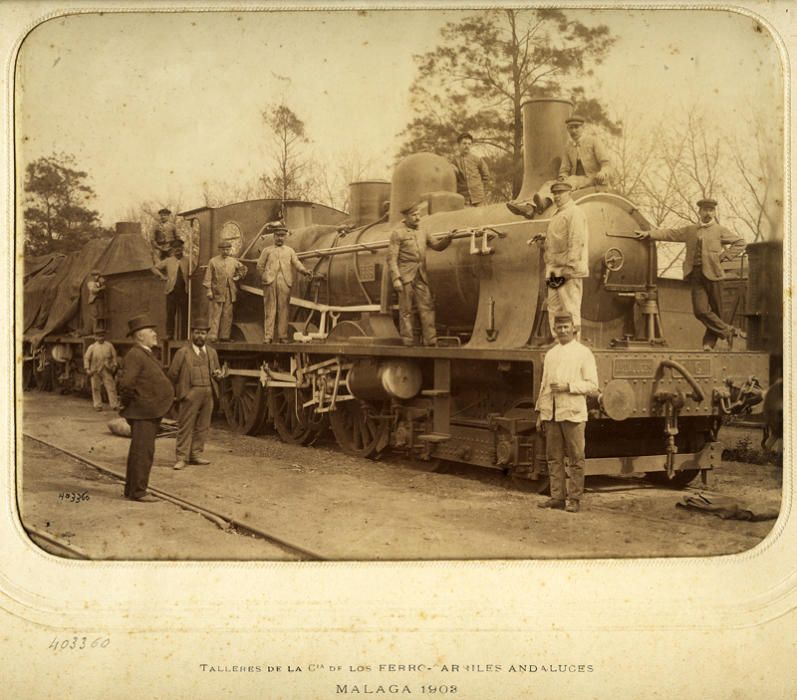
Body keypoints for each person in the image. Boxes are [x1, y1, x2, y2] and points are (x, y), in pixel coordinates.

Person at [635, 198, 747, 350]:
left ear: (714, 212)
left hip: (715, 275)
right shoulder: (690, 230)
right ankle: (728, 331)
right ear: (699, 212)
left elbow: (740, 242)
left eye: (711, 210)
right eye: (705, 210)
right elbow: (670, 234)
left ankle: (708, 344)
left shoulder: (720, 230)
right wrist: (649, 234)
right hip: (695, 275)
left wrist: (723, 257)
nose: (708, 213)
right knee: (700, 311)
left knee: (717, 313)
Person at [535, 312, 599, 514]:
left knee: (576, 458)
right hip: (552, 414)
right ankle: (557, 497)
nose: (562, 331)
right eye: (559, 327)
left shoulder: (583, 353)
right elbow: (544, 385)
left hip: (573, 413)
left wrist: (568, 386)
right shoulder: (551, 354)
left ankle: (575, 499)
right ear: (555, 330)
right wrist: (541, 412)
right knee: (553, 457)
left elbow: (592, 386)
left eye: (566, 327)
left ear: (574, 328)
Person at [507, 115, 611, 218]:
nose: (573, 131)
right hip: (575, 180)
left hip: (593, 178)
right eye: (571, 128)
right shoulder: (568, 147)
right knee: (550, 183)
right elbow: (564, 169)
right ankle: (533, 207)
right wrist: (562, 177)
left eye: (576, 127)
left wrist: (603, 172)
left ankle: (542, 203)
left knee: (572, 180)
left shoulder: (593, 141)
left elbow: (606, 163)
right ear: (567, 129)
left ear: (583, 128)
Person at [118, 314, 175, 502]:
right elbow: (127, 384)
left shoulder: (144, 353)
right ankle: (138, 492)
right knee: (143, 452)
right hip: (143, 412)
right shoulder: (136, 354)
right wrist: (136, 402)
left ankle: (132, 489)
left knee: (139, 451)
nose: (155, 334)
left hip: (146, 411)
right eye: (151, 331)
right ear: (140, 336)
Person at [387, 201, 453, 346]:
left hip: (421, 275)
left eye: (418, 214)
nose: (417, 218)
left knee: (427, 307)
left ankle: (430, 340)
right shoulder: (398, 233)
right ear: (406, 217)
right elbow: (391, 259)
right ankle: (408, 340)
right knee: (406, 310)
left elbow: (436, 246)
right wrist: (396, 278)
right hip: (405, 276)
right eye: (414, 215)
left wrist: (448, 238)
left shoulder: (423, 231)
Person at [528, 181, 589, 337]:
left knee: (570, 307)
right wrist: (544, 237)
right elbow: (559, 237)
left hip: (565, 269)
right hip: (554, 269)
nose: (557, 196)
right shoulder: (558, 213)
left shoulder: (574, 212)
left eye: (560, 193)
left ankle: (574, 343)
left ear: (569, 193)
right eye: (554, 193)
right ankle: (559, 341)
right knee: (554, 307)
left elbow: (576, 240)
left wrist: (571, 266)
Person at [167, 319, 223, 471]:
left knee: (203, 426)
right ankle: (180, 458)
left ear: (207, 335)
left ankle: (195, 455)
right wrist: (181, 392)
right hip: (191, 393)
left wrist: (218, 375)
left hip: (208, 392)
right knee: (185, 425)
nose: (200, 336)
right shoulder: (182, 353)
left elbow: (217, 373)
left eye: (203, 333)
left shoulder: (212, 352)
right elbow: (172, 374)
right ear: (192, 334)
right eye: (197, 332)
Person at [256, 224, 312, 343]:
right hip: (270, 282)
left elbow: (296, 263)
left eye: (282, 236)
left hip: (285, 282)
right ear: (274, 236)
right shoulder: (267, 251)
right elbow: (259, 266)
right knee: (270, 309)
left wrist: (304, 271)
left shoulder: (290, 251)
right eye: (278, 236)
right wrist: (264, 276)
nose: (280, 238)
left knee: (284, 310)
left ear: (285, 237)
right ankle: (268, 336)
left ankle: (282, 336)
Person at [203, 240, 247, 342]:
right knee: (215, 314)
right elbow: (208, 277)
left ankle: (224, 336)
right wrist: (209, 290)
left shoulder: (233, 261)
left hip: (230, 292)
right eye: (223, 249)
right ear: (219, 250)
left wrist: (238, 276)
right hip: (217, 292)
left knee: (227, 314)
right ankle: (212, 336)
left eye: (227, 249)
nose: (225, 251)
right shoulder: (213, 261)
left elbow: (244, 268)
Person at [151, 238, 195, 339]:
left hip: (185, 291)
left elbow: (195, 271)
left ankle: (184, 336)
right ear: (172, 249)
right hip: (171, 291)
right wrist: (162, 276)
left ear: (182, 248)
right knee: (170, 314)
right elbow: (154, 268)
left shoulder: (188, 260)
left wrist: (191, 276)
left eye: (179, 247)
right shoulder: (168, 261)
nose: (178, 249)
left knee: (185, 315)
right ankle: (169, 334)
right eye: (175, 248)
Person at [83, 329, 120, 411]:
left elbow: (114, 356)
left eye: (102, 336)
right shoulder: (92, 347)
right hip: (95, 370)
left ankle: (114, 405)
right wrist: (87, 369)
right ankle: (97, 405)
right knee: (95, 388)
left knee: (111, 387)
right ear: (95, 337)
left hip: (106, 369)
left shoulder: (109, 346)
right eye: (99, 336)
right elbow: (86, 358)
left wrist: (114, 365)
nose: (101, 338)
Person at [451, 132, 490, 207]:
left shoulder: (477, 160)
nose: (467, 146)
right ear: (459, 145)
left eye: (469, 144)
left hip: (479, 199)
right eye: (464, 143)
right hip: (464, 199)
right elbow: (453, 179)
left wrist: (479, 189)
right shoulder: (454, 161)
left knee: (482, 217)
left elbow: (486, 176)